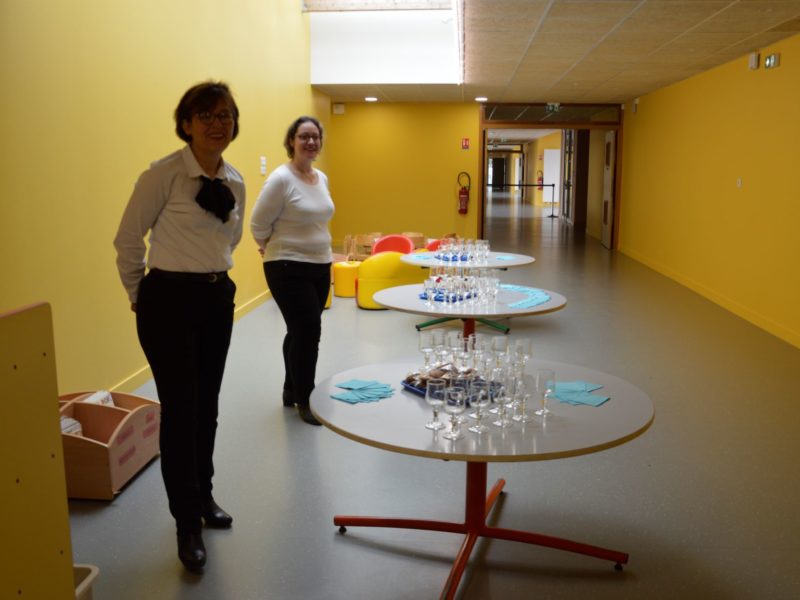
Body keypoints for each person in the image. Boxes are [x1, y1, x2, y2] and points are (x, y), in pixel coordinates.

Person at [113, 81, 245, 573]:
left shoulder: (235, 181)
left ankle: (204, 496)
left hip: (216, 296)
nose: (217, 124)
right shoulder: (163, 174)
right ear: (186, 124)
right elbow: (128, 240)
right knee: (181, 409)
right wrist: (139, 295)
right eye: (206, 115)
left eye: (225, 115)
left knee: (207, 405)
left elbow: (230, 239)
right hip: (168, 300)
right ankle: (186, 523)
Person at [250, 116, 334, 426]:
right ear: (291, 141)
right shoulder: (281, 179)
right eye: (304, 136)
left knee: (299, 330)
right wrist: (269, 246)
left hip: (320, 265)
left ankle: (290, 389)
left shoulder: (320, 178)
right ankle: (305, 399)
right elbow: (258, 224)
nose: (311, 142)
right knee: (309, 331)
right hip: (287, 266)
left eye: (315, 136)